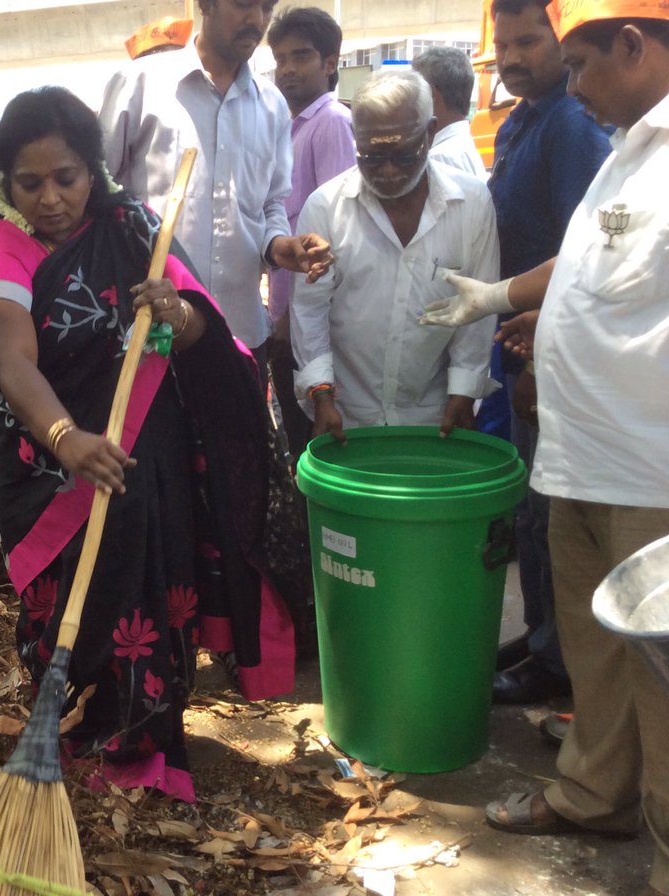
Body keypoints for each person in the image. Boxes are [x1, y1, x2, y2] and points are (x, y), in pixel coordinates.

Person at [0, 86, 298, 800]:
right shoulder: (0, 244)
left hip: (146, 458)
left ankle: (148, 742)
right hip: (53, 471)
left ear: (93, 170)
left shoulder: (136, 229)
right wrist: (66, 438)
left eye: (67, 178)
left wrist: (176, 312)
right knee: (72, 608)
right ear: (4, 182)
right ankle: (80, 738)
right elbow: (6, 355)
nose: (51, 199)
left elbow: (204, 329)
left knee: (151, 594)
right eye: (30, 182)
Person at [479, 10, 669, 894]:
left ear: (635, 45)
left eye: (584, 62)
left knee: (659, 671)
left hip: (651, 467)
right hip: (584, 451)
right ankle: (597, 792)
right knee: (596, 650)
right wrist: (507, 303)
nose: (573, 80)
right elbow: (588, 269)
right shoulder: (626, 150)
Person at [99, 0, 333, 388]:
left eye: (266, 7)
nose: (256, 20)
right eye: (243, 4)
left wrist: (279, 246)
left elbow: (270, 203)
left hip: (240, 334)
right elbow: (97, 192)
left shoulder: (272, 105)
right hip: (150, 332)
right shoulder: (139, 84)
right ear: (205, 4)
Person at [485, 0, 613, 704]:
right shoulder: (521, 121)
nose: (511, 58)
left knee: (551, 512)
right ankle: (542, 634)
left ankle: (559, 661)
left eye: (529, 42)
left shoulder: (572, 124)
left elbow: (583, 257)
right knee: (533, 510)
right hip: (519, 339)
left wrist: (538, 358)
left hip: (551, 345)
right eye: (504, 44)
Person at [290, 70, 499, 441]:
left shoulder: (471, 203)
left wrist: (464, 390)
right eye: (371, 156)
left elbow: (477, 307)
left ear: (430, 132)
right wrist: (321, 392)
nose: (387, 171)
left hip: (435, 416)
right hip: (346, 414)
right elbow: (310, 310)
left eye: (403, 155)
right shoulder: (325, 207)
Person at [266, 6, 356, 460]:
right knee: (301, 445)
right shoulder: (292, 128)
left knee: (315, 447)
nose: (287, 69)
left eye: (300, 56)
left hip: (307, 327)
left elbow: (333, 232)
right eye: (280, 59)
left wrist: (287, 321)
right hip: (288, 320)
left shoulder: (331, 122)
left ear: (330, 62)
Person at [412, 45, 489, 179]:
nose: (410, 101)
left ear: (431, 94)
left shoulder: (439, 159)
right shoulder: (459, 146)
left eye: (413, 92)